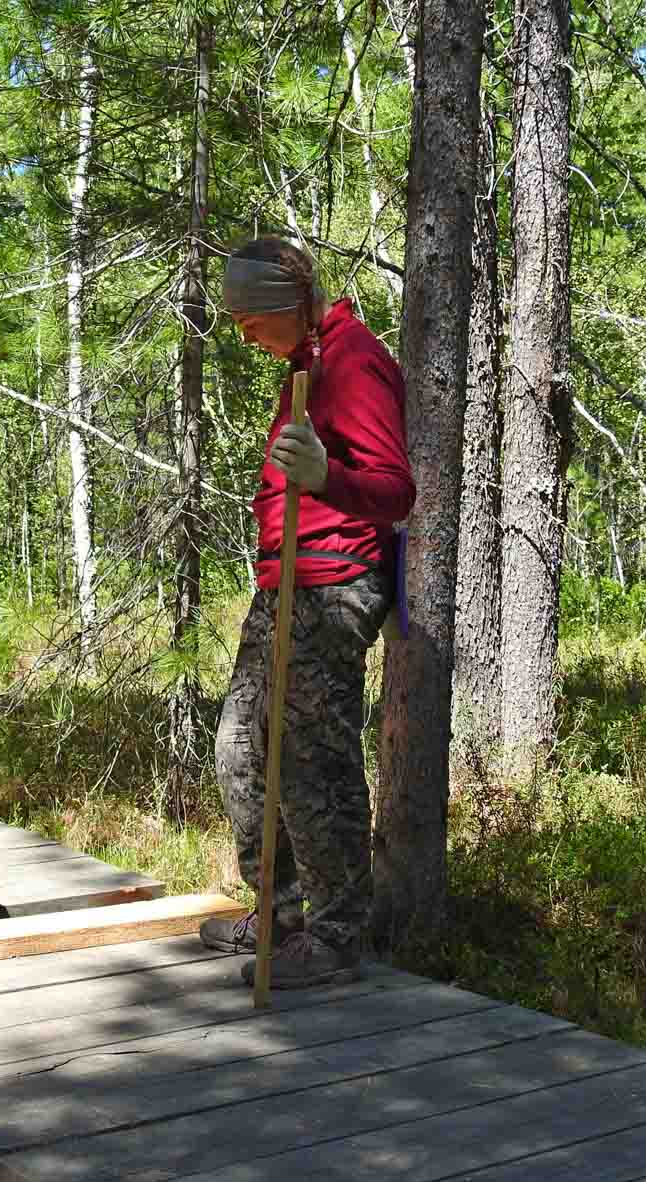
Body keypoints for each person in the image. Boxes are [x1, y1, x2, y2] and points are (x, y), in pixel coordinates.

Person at [199, 237, 415, 989]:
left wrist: (327, 477)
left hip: (333, 584)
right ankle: (279, 908)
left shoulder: (356, 362)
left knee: (312, 756)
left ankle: (335, 932)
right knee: (240, 749)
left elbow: (394, 491)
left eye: (249, 318)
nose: (243, 333)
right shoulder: (307, 366)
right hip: (282, 583)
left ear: (285, 304)